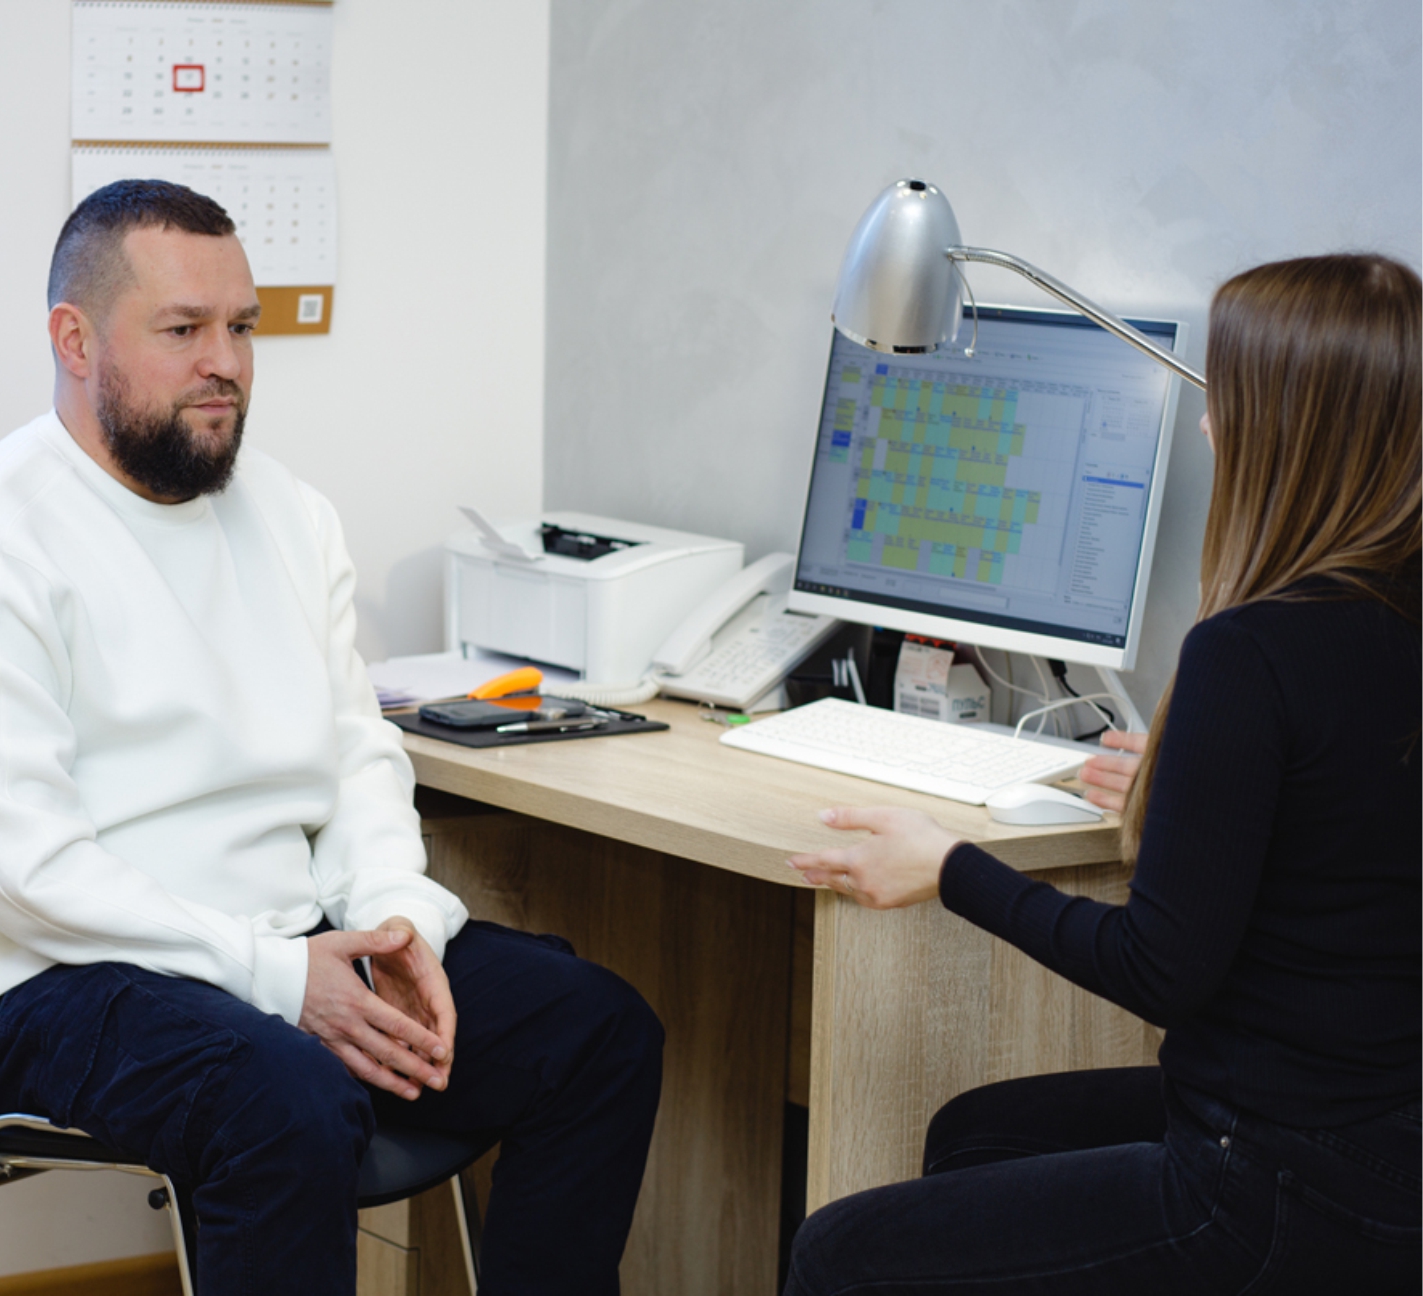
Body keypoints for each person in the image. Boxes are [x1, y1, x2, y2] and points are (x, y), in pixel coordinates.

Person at [0, 180, 662, 1296]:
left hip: (294, 937)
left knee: (594, 1029)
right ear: (74, 340)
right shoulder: (16, 531)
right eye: (183, 330)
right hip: (66, 971)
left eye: (242, 326)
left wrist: (397, 927)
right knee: (283, 1104)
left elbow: (360, 764)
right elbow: (32, 869)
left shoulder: (290, 514)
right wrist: (279, 979)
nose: (226, 362)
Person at [783, 254, 1421, 1294]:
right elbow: (1349, 832)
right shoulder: (1388, 619)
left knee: (834, 1257)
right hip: (1387, 1153)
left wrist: (948, 867)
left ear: (1287, 429)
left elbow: (1157, 969)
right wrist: (1190, 802)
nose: (1206, 422)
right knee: (975, 1133)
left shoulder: (1250, 651)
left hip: (1269, 1177)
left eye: (1227, 393)